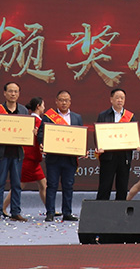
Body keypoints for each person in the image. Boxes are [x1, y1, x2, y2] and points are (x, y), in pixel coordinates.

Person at [38, 90, 83, 222]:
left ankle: (67, 212)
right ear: (56, 101)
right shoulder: (49, 117)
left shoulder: (76, 118)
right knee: (52, 185)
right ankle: (50, 212)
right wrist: (42, 143)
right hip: (54, 157)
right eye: (61, 100)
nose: (64, 103)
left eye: (66, 100)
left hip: (70, 158)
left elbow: (80, 136)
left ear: (70, 102)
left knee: (68, 185)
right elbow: (41, 133)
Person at [0, 82, 28, 222]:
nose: (13, 94)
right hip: (2, 153)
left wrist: (31, 133)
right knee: (0, 183)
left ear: (19, 94)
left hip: (17, 153)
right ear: (5, 93)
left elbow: (26, 130)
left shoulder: (24, 111)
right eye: (10, 91)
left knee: (16, 184)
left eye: (16, 91)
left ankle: (15, 212)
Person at [3, 97, 48, 216]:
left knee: (43, 184)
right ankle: (3, 207)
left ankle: (50, 209)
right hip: (29, 158)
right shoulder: (36, 121)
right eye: (43, 105)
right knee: (19, 185)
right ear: (38, 106)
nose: (44, 108)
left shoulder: (32, 120)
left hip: (33, 159)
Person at [95, 88, 136, 201]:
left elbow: (133, 135)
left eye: (122, 98)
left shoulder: (130, 116)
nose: (120, 100)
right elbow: (98, 134)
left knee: (122, 186)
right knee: (105, 185)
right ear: (111, 99)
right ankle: (102, 208)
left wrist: (136, 144)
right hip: (108, 155)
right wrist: (99, 146)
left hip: (124, 156)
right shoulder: (103, 115)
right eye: (117, 97)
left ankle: (120, 210)